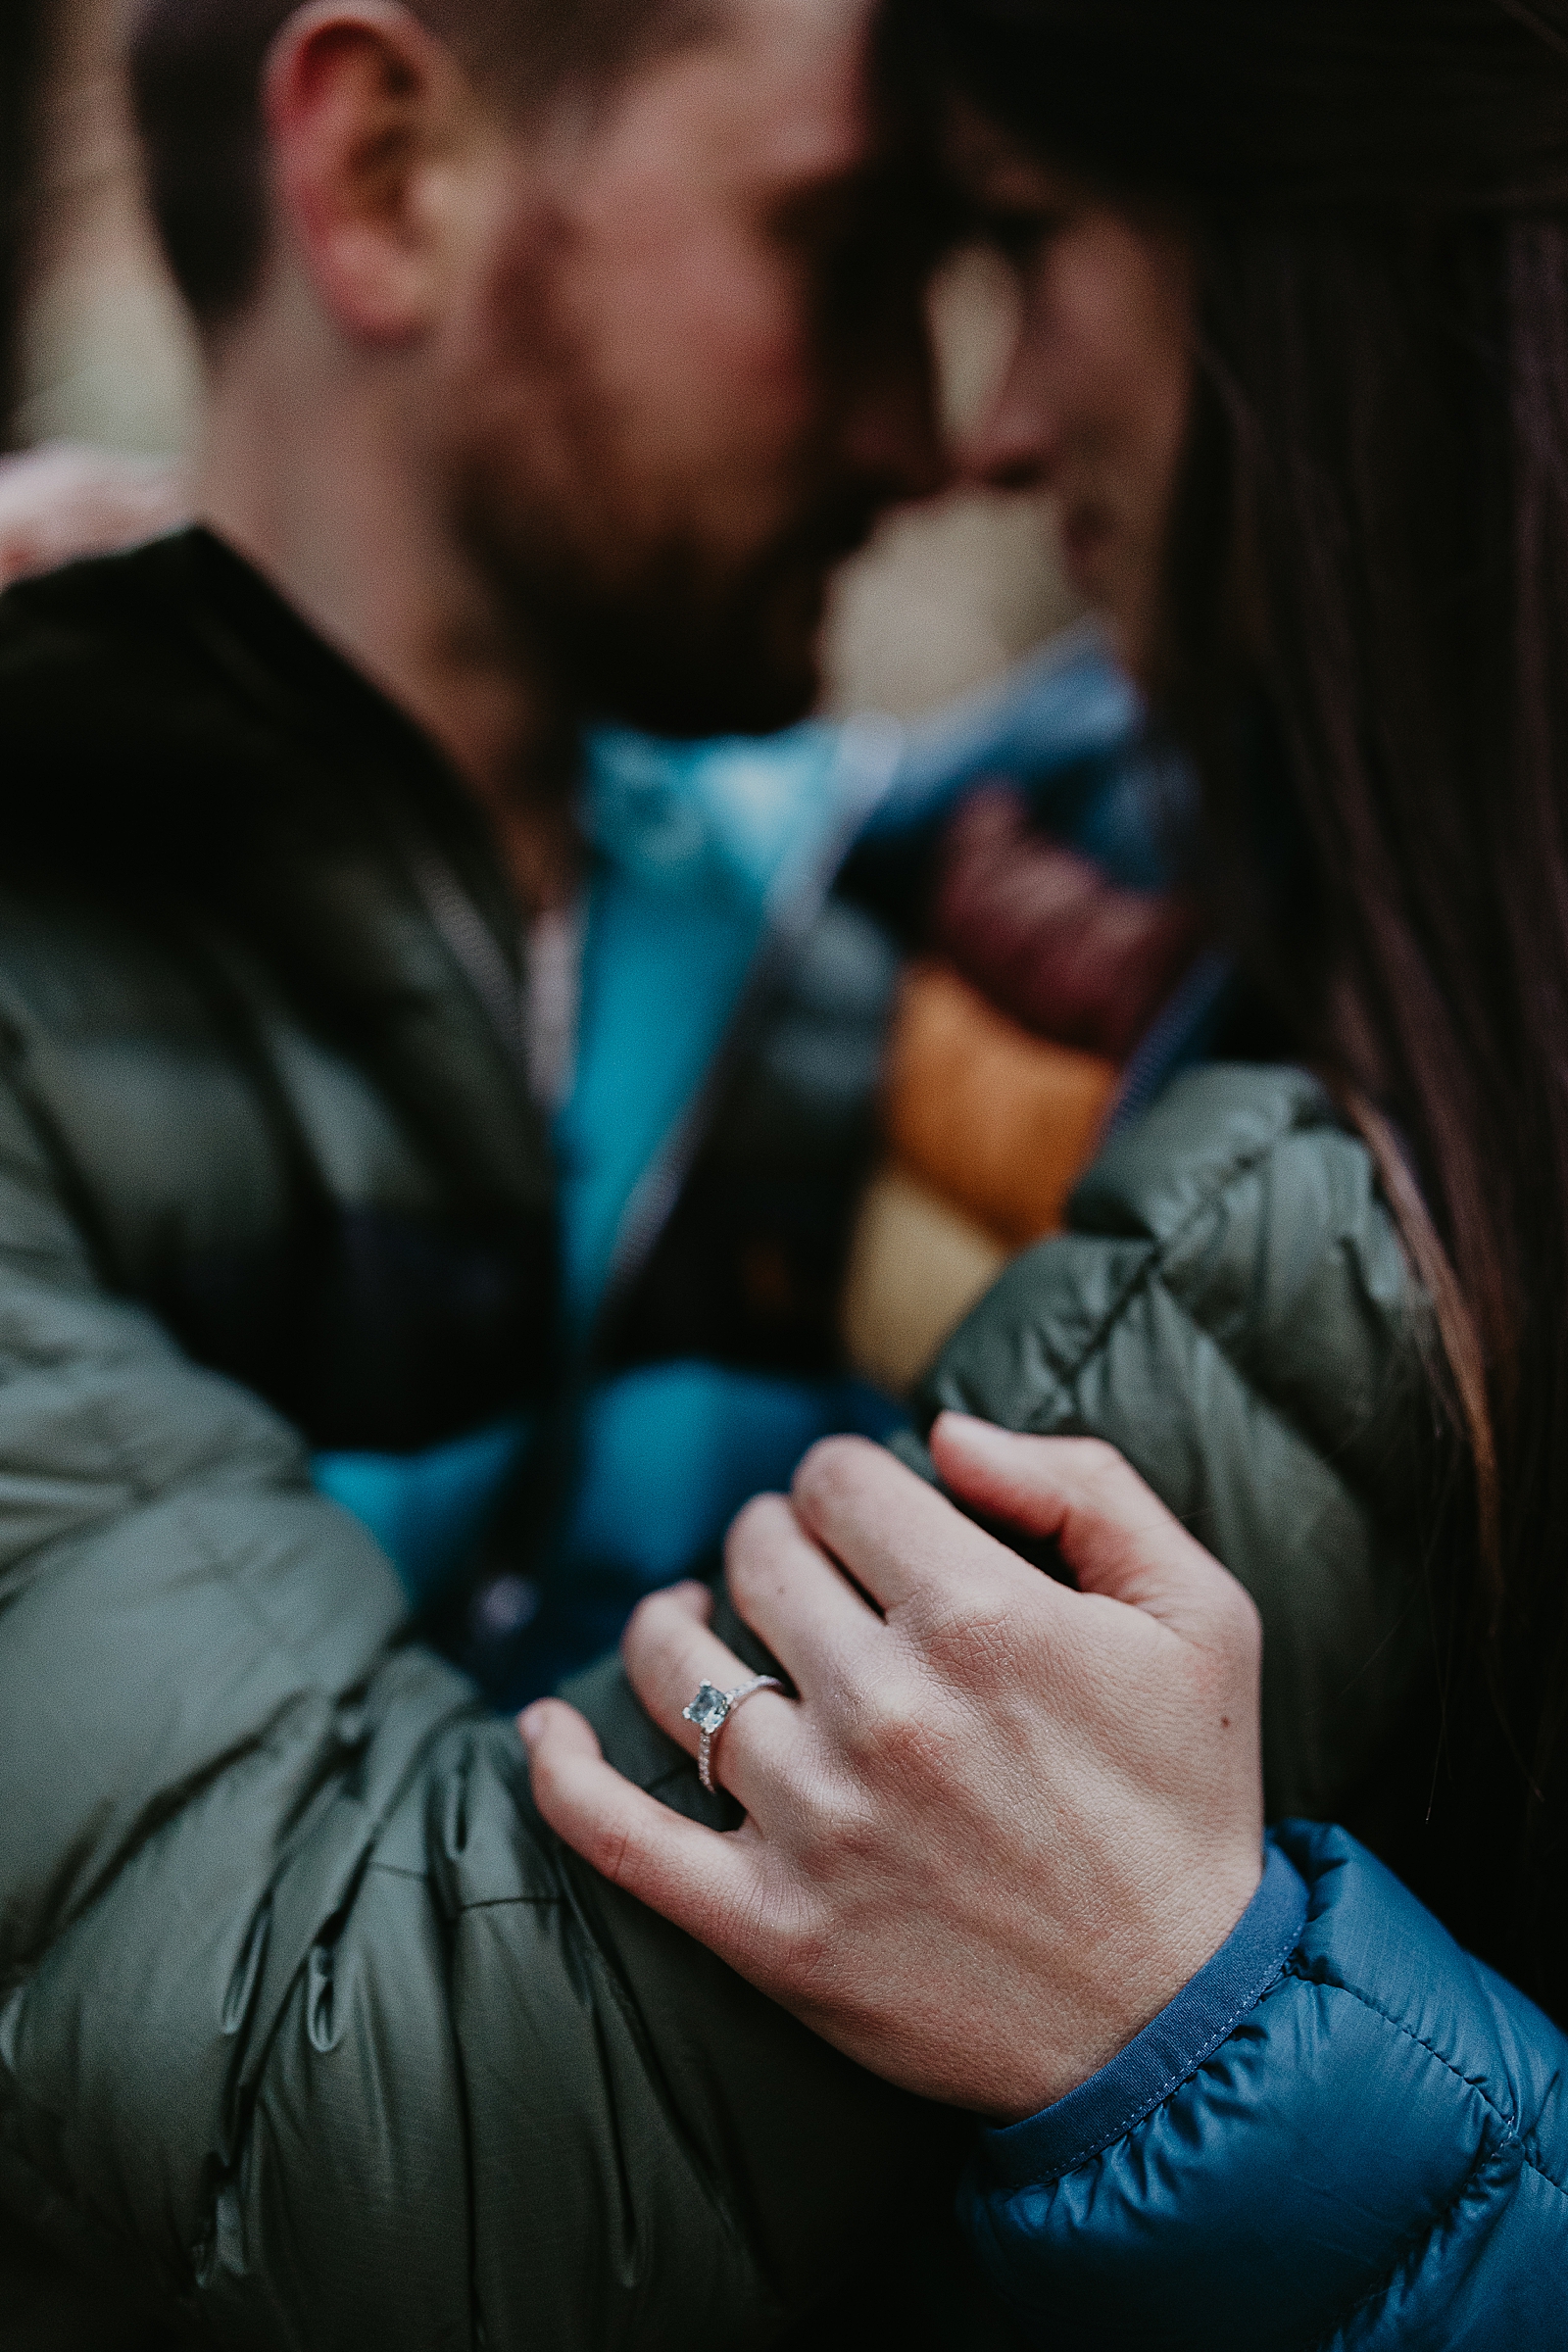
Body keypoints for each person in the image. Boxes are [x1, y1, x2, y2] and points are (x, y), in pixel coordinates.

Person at [523, 0, 1568, 2338]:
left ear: (1341, 253)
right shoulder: (1121, 832)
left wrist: (1213, 2043)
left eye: (1022, 239)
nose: (980, 429)